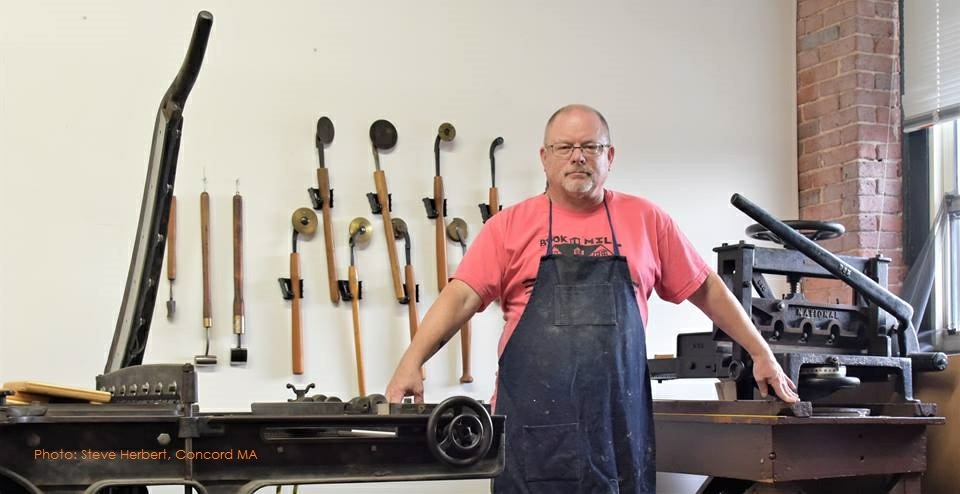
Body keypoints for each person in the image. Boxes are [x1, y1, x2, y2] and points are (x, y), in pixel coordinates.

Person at [386, 104, 799, 493]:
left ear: (610, 155)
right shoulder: (508, 226)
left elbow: (706, 286)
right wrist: (411, 361)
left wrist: (760, 352)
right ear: (545, 157)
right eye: (565, 147)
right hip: (533, 435)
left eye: (590, 146)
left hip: (618, 429)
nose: (578, 157)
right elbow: (460, 297)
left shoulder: (647, 220)